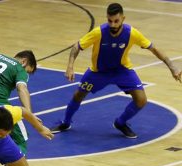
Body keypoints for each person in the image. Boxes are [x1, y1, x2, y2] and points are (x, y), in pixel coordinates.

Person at [50, 3, 182, 138]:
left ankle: (120, 123)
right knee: (78, 95)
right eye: (110, 21)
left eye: (116, 21)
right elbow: (76, 47)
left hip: (122, 70)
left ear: (123, 19)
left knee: (141, 100)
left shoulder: (131, 33)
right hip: (99, 72)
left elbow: (153, 48)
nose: (113, 25)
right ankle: (65, 122)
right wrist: (70, 66)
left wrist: (172, 67)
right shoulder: (99, 32)